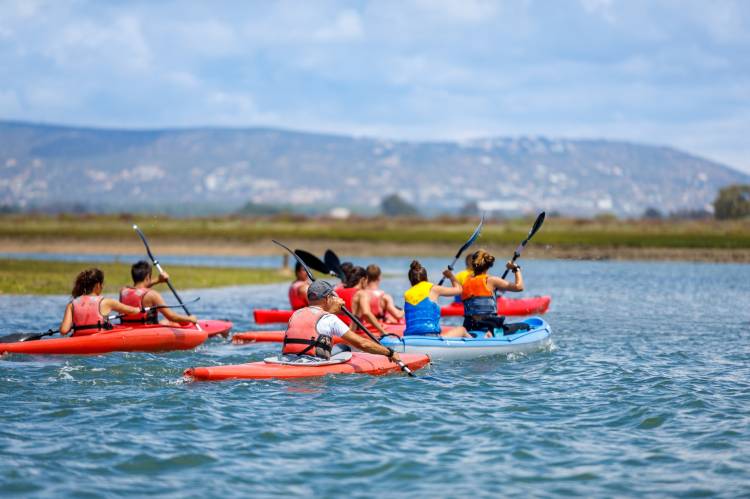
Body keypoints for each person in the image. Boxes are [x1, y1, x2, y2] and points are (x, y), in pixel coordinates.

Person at [281, 280, 403, 364]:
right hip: (313, 365)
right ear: (328, 298)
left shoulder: (295, 314)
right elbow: (362, 344)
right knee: (344, 347)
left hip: (287, 360)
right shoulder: (330, 319)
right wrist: (389, 352)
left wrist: (331, 311)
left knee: (339, 346)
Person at [459, 249, 524, 337]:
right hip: (489, 327)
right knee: (525, 326)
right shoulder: (491, 280)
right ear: (488, 265)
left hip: (469, 327)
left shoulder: (465, 282)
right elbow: (519, 287)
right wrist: (516, 268)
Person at [59, 268, 141, 336]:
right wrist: (139, 309)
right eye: (102, 284)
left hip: (79, 341)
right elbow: (133, 311)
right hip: (100, 342)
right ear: (98, 285)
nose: (102, 287)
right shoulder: (106, 302)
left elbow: (63, 330)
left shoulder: (71, 304)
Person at [119, 260, 197, 326]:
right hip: (147, 331)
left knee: (165, 322)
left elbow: (140, 289)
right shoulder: (152, 295)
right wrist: (190, 319)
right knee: (172, 322)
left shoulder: (123, 291)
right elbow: (171, 316)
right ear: (147, 277)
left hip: (128, 328)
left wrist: (158, 280)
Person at [403, 260, 469, 337]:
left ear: (410, 280)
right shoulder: (434, 289)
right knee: (462, 330)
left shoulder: (407, 294)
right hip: (431, 336)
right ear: (426, 278)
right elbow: (459, 290)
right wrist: (451, 276)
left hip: (409, 337)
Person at [337, 266, 390, 337]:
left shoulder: (337, 291)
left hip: (336, 333)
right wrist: (383, 331)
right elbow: (366, 313)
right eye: (367, 280)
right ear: (363, 280)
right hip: (351, 334)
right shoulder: (361, 293)